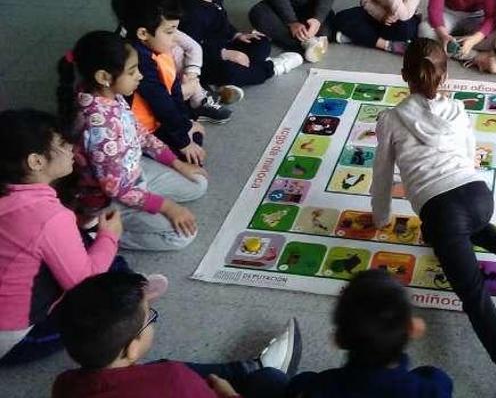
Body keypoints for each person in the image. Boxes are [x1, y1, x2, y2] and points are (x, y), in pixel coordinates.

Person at [371, 38, 496, 398]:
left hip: (441, 213)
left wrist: (381, 216)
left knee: (474, 296)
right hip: (477, 195)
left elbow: (381, 175)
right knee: (467, 222)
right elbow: (470, 156)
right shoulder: (459, 109)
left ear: (404, 75)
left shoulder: (390, 119)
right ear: (446, 76)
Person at [57, 31, 207, 251]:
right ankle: (100, 232)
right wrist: (167, 207)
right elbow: (116, 188)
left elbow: (141, 134)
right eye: (132, 71)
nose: (140, 76)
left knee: (198, 184)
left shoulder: (111, 95)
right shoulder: (98, 126)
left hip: (132, 171)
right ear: (104, 77)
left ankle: (145, 200)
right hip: (110, 198)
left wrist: (177, 163)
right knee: (182, 236)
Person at [52, 271, 300, 398]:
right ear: (132, 348)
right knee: (270, 379)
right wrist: (228, 393)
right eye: (150, 317)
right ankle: (253, 370)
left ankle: (245, 368)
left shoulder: (65, 384)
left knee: (156, 367)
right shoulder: (175, 379)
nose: (152, 320)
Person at [0, 109, 122, 365]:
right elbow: (84, 285)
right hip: (15, 338)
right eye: (62, 145)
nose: (72, 150)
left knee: (92, 246)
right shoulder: (48, 216)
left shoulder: (10, 194)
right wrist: (109, 236)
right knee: (112, 307)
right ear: (36, 162)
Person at [284, 269, 453, 397]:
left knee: (269, 378)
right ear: (414, 328)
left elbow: (298, 386)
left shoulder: (320, 386)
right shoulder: (431, 388)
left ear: (338, 340)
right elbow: (444, 383)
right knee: (429, 372)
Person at [110, 0, 212, 162]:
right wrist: (183, 140)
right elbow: (161, 103)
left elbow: (172, 91)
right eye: (169, 32)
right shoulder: (136, 61)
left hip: (158, 118)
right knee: (190, 151)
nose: (174, 38)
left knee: (193, 131)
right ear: (142, 33)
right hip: (140, 128)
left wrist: (185, 124)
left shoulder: (157, 48)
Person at [110, 0, 234, 124]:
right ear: (142, 33)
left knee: (179, 53)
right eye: (170, 31)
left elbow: (193, 47)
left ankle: (199, 97)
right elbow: (157, 101)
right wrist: (182, 92)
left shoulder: (160, 29)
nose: (174, 34)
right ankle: (198, 100)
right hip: (153, 113)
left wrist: (192, 74)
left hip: (177, 85)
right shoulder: (132, 58)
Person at [175, 0, 303, 89]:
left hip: (222, 44)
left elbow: (223, 23)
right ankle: (272, 67)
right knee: (230, 72)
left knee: (260, 42)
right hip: (205, 60)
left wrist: (237, 35)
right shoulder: (191, 14)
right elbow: (191, 49)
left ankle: (244, 73)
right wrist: (224, 54)